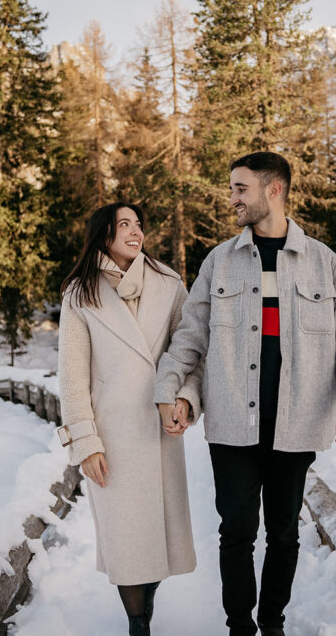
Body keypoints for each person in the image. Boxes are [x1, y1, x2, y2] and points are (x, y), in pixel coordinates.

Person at [154, 151, 336, 636]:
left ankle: (271, 623)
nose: (231, 198)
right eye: (232, 188)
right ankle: (239, 627)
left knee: (284, 534)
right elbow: (191, 337)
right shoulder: (220, 262)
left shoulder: (323, 262)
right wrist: (171, 390)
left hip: (296, 425)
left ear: (273, 190)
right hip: (232, 425)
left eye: (240, 188)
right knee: (235, 533)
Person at [57, 202, 202, 636]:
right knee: (125, 540)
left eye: (138, 224)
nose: (135, 231)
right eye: (124, 225)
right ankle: (137, 622)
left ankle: (147, 600)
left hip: (158, 429)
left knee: (156, 537)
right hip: (113, 436)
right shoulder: (80, 294)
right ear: (104, 235)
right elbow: (71, 378)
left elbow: (192, 352)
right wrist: (86, 443)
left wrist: (186, 400)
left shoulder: (169, 283)